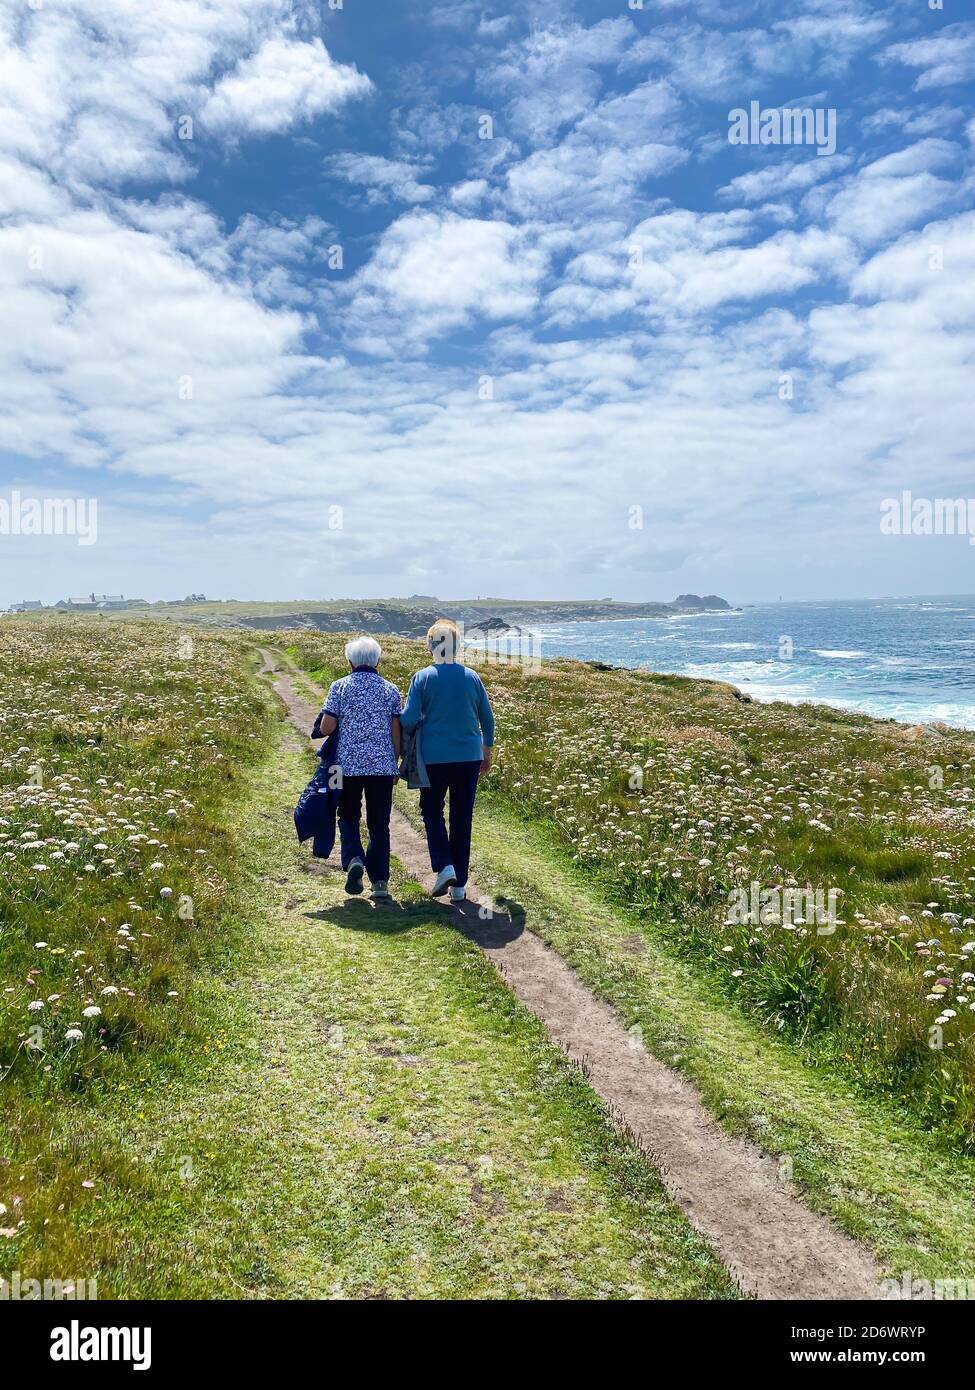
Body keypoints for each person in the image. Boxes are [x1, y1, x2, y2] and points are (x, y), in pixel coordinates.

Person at [399, 618, 495, 902]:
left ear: (430, 645)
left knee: (431, 810)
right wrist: (486, 753)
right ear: (457, 646)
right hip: (468, 757)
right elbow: (487, 721)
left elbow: (407, 719)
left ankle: (444, 865)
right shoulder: (472, 677)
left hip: (434, 758)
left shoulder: (422, 677)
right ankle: (459, 886)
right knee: (462, 817)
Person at [317, 635, 401, 900]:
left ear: (350, 661)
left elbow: (326, 727)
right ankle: (380, 883)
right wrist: (394, 762)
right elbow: (396, 731)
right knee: (379, 823)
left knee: (348, 815)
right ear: (377, 660)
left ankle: (354, 858)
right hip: (381, 767)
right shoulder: (390, 689)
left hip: (345, 766)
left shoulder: (339, 687)